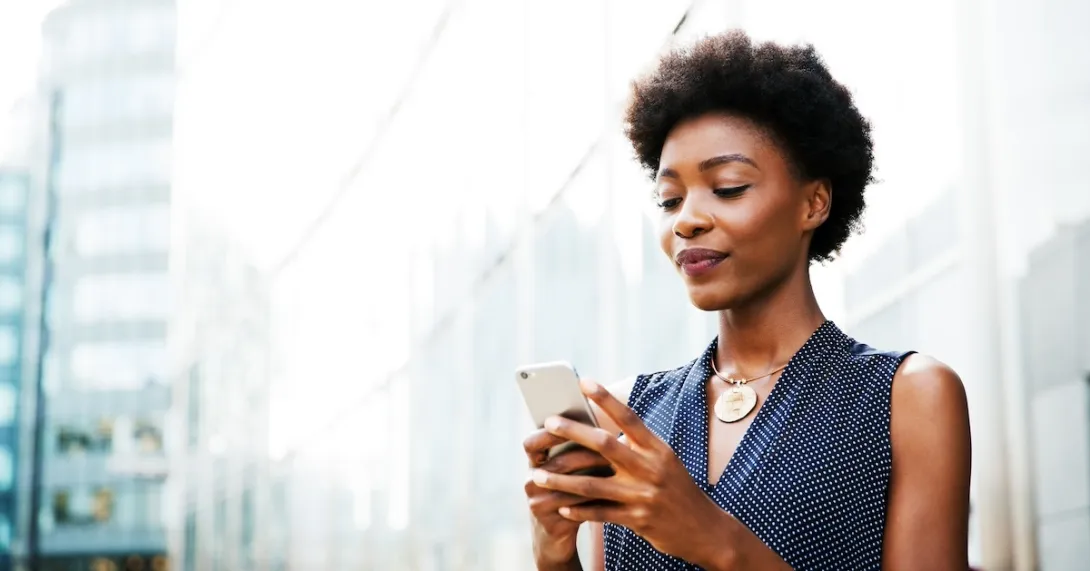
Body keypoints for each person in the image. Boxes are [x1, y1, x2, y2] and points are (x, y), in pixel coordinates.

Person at [521, 30, 971, 571]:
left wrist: (714, 539)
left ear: (813, 203)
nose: (686, 219)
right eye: (669, 199)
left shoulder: (907, 397)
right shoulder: (624, 415)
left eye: (729, 187)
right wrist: (553, 556)